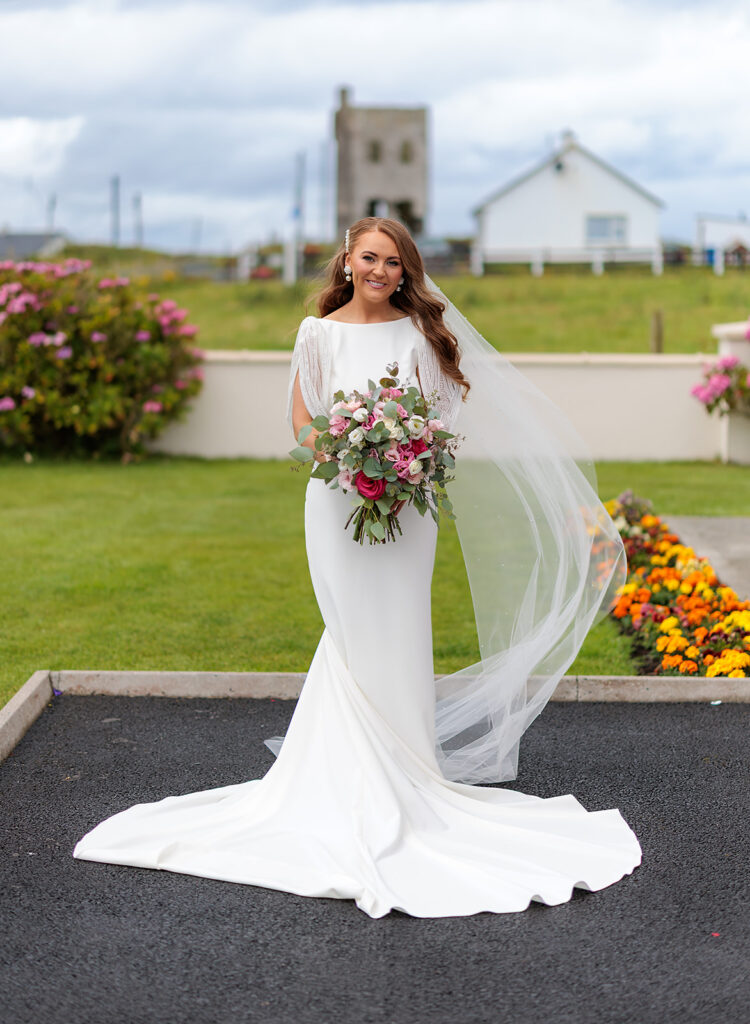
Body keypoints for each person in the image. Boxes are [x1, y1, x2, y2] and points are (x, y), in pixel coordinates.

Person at [73, 217, 641, 918]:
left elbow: (443, 419)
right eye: (370, 258)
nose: (381, 271)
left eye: (394, 262)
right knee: (349, 632)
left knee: (397, 630)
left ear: (407, 271)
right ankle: (347, 781)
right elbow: (303, 424)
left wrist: (404, 454)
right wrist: (349, 450)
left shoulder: (419, 334)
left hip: (408, 507)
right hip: (336, 505)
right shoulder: (318, 334)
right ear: (347, 260)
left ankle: (409, 776)